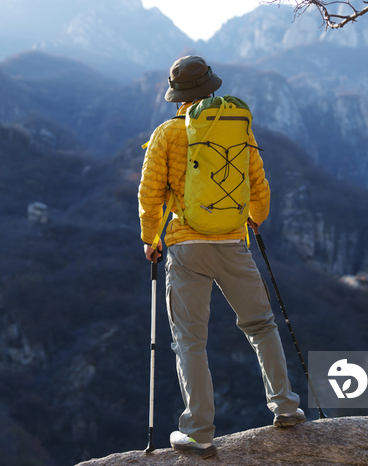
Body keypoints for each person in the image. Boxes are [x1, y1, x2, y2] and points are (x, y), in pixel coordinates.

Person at [138, 56, 305, 458]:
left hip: (185, 247)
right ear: (211, 88)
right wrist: (254, 219)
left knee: (191, 341)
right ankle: (285, 407)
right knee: (262, 325)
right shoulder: (237, 129)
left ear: (178, 95)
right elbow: (258, 185)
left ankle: (198, 431)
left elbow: (149, 194)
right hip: (233, 242)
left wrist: (150, 239)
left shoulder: (166, 134)